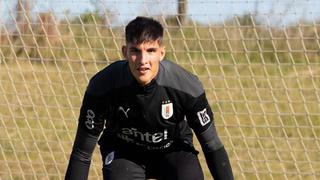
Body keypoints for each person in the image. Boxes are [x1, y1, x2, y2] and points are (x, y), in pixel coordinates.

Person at [65, 16, 234, 180]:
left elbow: (212, 145)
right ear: (124, 52)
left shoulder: (186, 86)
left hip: (172, 148)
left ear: (162, 52)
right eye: (135, 51)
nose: (143, 60)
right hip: (124, 152)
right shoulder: (102, 86)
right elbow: (82, 153)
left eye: (150, 51)